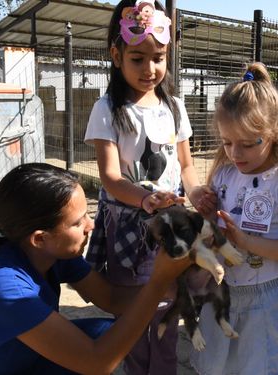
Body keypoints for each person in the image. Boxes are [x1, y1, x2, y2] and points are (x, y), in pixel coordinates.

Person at [0, 163, 192, 374]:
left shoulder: (52, 253)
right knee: (100, 346)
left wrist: (176, 281)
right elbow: (97, 362)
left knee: (106, 331)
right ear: (39, 238)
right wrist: (156, 283)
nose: (90, 225)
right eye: (78, 221)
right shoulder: (0, 285)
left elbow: (112, 299)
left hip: (11, 363)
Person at [83, 0, 214, 373]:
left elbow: (185, 165)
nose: (150, 68)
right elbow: (110, 176)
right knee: (136, 311)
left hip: (172, 225)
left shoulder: (173, 105)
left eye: (158, 57)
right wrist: (145, 199)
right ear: (116, 54)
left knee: (168, 309)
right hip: (130, 227)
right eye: (138, 58)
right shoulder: (108, 107)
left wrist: (196, 192)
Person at [190, 62, 278, 375]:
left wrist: (246, 242)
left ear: (274, 133)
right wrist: (203, 214)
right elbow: (210, 230)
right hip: (221, 292)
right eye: (227, 142)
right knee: (218, 367)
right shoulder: (225, 174)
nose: (235, 153)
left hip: (266, 298)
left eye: (247, 144)